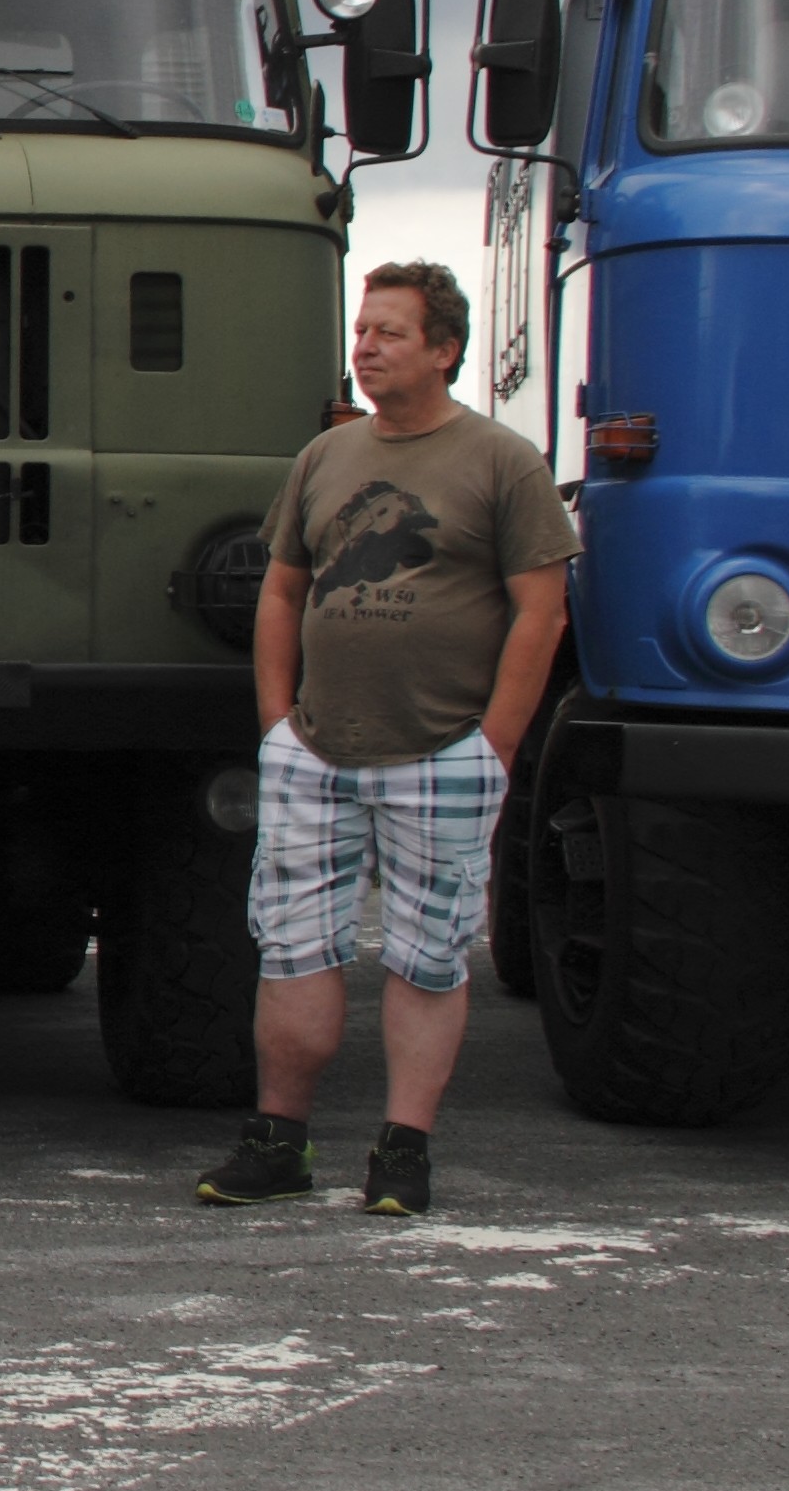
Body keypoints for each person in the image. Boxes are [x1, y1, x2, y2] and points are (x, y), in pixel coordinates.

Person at [206, 261, 575, 1218]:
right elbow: (281, 590)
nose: (365, 347)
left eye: (390, 333)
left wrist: (494, 745)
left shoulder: (503, 462)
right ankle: (278, 1142)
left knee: (427, 957)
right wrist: (277, 725)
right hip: (314, 752)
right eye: (363, 331)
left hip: (444, 751)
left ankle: (403, 1153)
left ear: (444, 349)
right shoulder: (324, 458)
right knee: (292, 948)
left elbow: (542, 612)